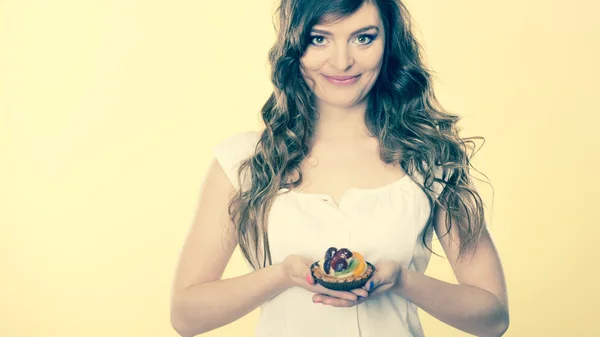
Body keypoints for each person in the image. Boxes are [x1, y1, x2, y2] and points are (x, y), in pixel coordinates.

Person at [170, 0, 509, 336]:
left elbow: (493, 318)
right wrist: (283, 275)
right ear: (294, 46)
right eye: (320, 39)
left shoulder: (428, 157)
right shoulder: (244, 159)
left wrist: (403, 281)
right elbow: (186, 316)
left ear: (389, 42)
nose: (342, 61)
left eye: (363, 38)